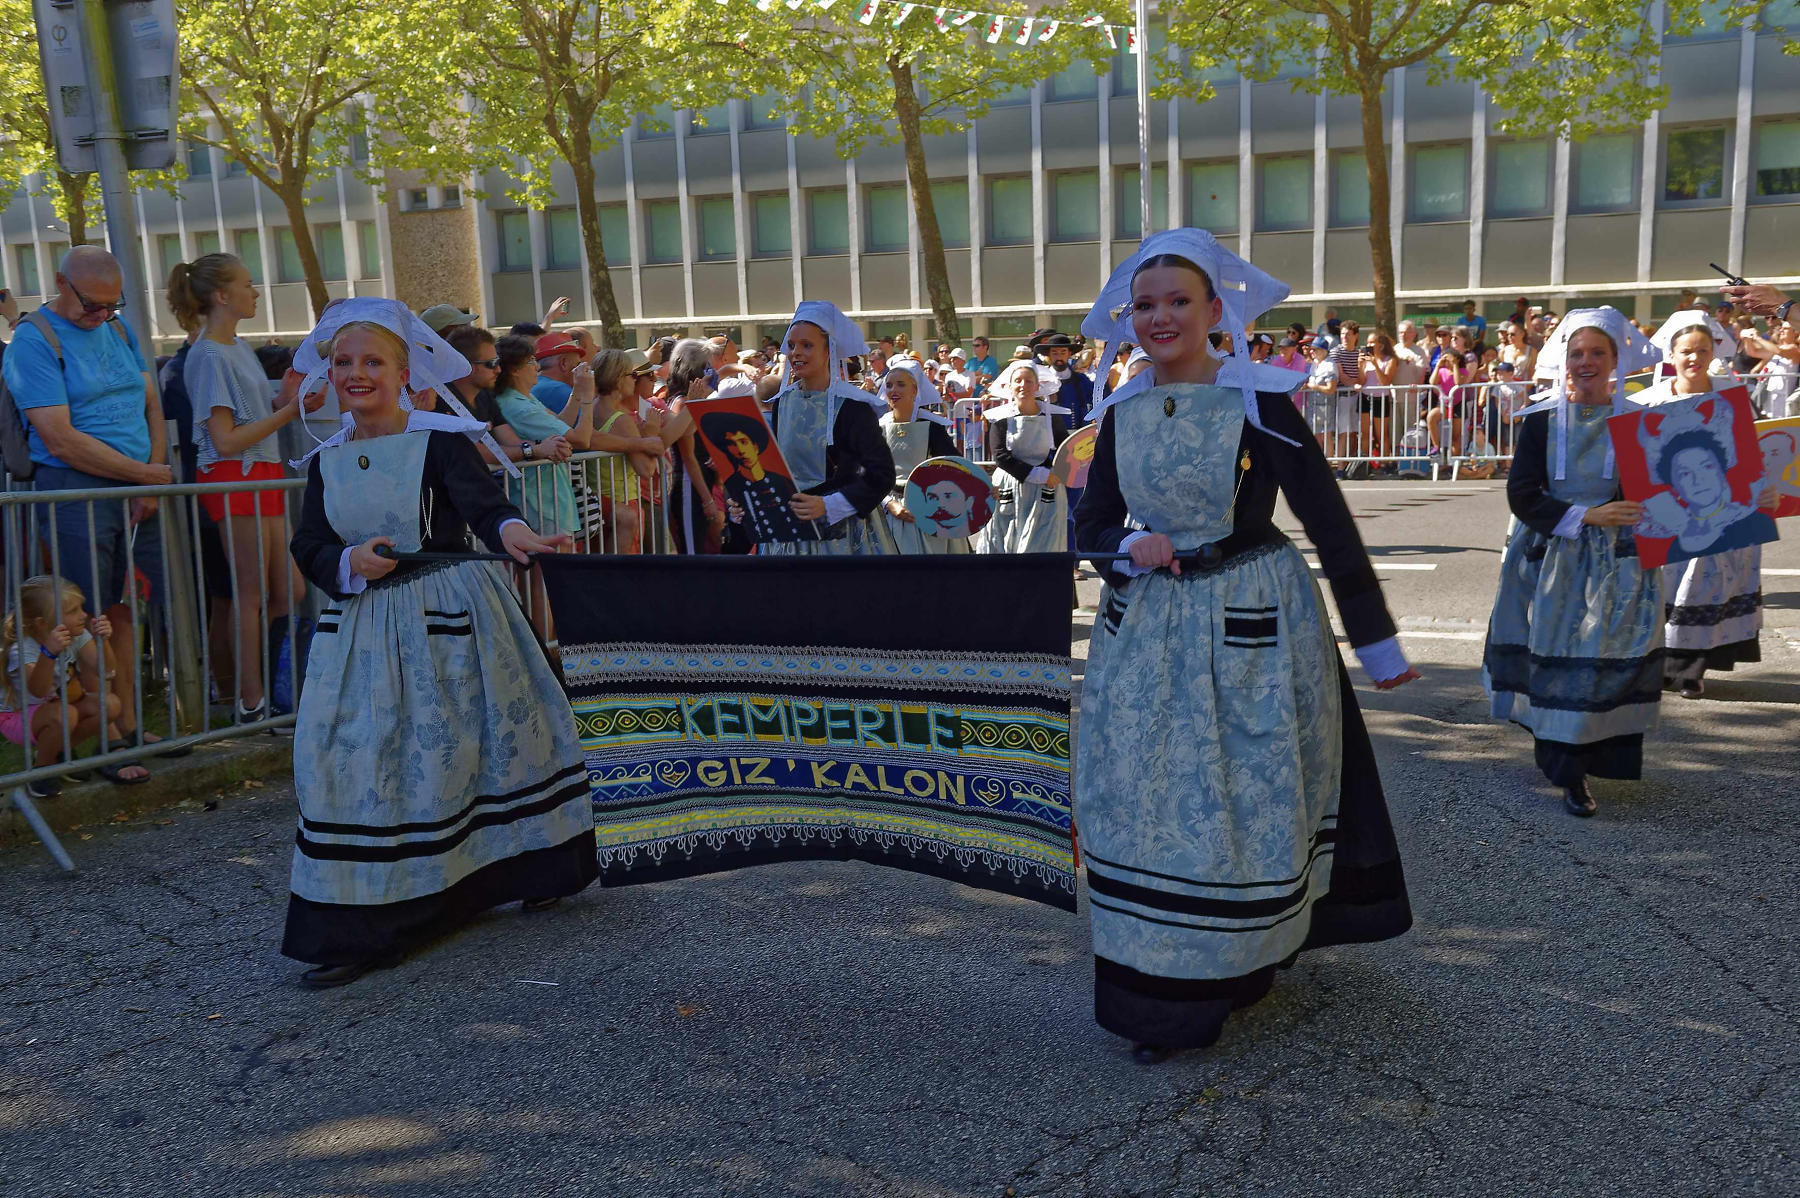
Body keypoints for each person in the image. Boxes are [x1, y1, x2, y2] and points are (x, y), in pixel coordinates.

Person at [1072, 228, 1415, 1063]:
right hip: (1149, 632)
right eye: (1145, 304)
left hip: (1252, 623)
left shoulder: (1261, 400)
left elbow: (1328, 519)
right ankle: (1162, 988)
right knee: (1151, 800)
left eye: (1178, 301)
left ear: (1215, 311)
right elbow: (1090, 527)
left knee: (1243, 795)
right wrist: (1129, 545)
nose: (1160, 317)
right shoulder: (1115, 413)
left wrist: (1374, 639)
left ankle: (1240, 956)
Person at [282, 298, 590, 989]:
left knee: (474, 751)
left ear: (404, 371)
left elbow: (486, 510)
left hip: (452, 615)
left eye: (372, 362)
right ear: (329, 376)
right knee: (362, 763)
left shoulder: (442, 439)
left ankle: (526, 868)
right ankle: (364, 919)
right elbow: (309, 544)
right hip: (364, 630)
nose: (356, 374)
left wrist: (518, 539)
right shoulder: (325, 461)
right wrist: (347, 562)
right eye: (343, 363)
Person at [1482, 308, 1665, 818]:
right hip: (1552, 555)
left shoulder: (1638, 419)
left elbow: (1660, 491)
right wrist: (1588, 515)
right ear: (1564, 359)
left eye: (1597, 353)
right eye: (1577, 353)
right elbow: (1522, 495)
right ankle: (1570, 773)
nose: (1585, 362)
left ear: (1616, 360)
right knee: (1560, 657)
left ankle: (1587, 762)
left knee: (1605, 657)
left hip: (1618, 560)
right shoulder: (1541, 420)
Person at [1, 245, 174, 773]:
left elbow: (151, 406)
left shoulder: (118, 330)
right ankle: (102, 736)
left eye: (110, 304)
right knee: (82, 617)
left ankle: (125, 723)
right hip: (76, 491)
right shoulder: (36, 340)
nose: (101, 314)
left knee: (120, 612)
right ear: (60, 283)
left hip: (132, 490)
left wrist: (149, 480)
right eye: (91, 304)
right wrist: (146, 475)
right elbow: (58, 439)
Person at [170, 253, 319, 726]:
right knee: (251, 593)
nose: (255, 292)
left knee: (287, 589)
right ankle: (252, 701)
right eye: (248, 284)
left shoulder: (235, 347)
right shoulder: (210, 353)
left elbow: (249, 420)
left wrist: (285, 398)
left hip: (262, 473)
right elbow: (225, 439)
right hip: (236, 477)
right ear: (221, 296)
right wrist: (288, 411)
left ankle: (276, 690)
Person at [1639, 310, 1767, 698]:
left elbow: (1750, 455)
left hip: (1722, 510)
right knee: (1665, 588)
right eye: (1686, 351)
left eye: (1702, 350)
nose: (1694, 358)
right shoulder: (1647, 401)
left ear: (1713, 352)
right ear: (1671, 355)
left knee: (1704, 588)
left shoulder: (1731, 396)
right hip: (1668, 512)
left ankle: (1692, 670)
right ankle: (1661, 667)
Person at [748, 301, 894, 555]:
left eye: (807, 345)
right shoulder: (784, 402)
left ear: (829, 351)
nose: (796, 353)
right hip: (792, 533)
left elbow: (881, 474)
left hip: (842, 537)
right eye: (792, 345)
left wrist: (829, 505)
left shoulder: (853, 406)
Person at [2, 575, 115, 796]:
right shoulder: (23, 649)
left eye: (81, 607)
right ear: (42, 623)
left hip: (56, 708)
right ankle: (41, 772)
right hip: (17, 716)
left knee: (109, 705)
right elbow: (38, 690)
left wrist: (105, 641)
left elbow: (107, 672)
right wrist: (49, 653)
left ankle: (57, 754)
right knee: (66, 714)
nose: (83, 615)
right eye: (73, 611)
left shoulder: (77, 634)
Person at [868, 358, 965, 555]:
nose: (893, 390)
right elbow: (867, 473)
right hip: (886, 507)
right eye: (889, 385)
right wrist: (888, 503)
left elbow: (955, 466)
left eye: (901, 384)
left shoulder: (932, 427)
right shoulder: (878, 428)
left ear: (914, 391)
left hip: (927, 509)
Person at [980, 359, 1069, 554]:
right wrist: (1038, 475)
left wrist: (1057, 473)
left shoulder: (1051, 416)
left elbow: (1066, 449)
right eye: (1018, 380)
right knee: (1005, 543)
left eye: (1029, 381)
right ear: (1009, 386)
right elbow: (1001, 457)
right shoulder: (1000, 418)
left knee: (1043, 546)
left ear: (1038, 386)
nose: (1023, 385)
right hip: (1009, 486)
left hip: (1046, 490)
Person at [530, 331, 581, 415]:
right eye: (578, 365)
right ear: (564, 363)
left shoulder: (534, 384)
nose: (581, 369)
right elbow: (585, 428)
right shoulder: (560, 389)